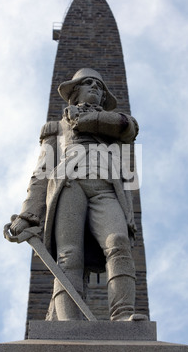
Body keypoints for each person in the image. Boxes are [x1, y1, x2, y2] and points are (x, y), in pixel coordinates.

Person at [9, 68, 147, 321]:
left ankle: (123, 316)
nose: (95, 87)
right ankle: (67, 323)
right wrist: (27, 215)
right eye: (88, 83)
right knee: (69, 256)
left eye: (99, 86)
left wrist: (84, 121)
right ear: (75, 92)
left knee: (118, 242)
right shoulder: (55, 128)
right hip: (69, 185)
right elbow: (41, 173)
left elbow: (129, 128)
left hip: (105, 188)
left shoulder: (116, 123)